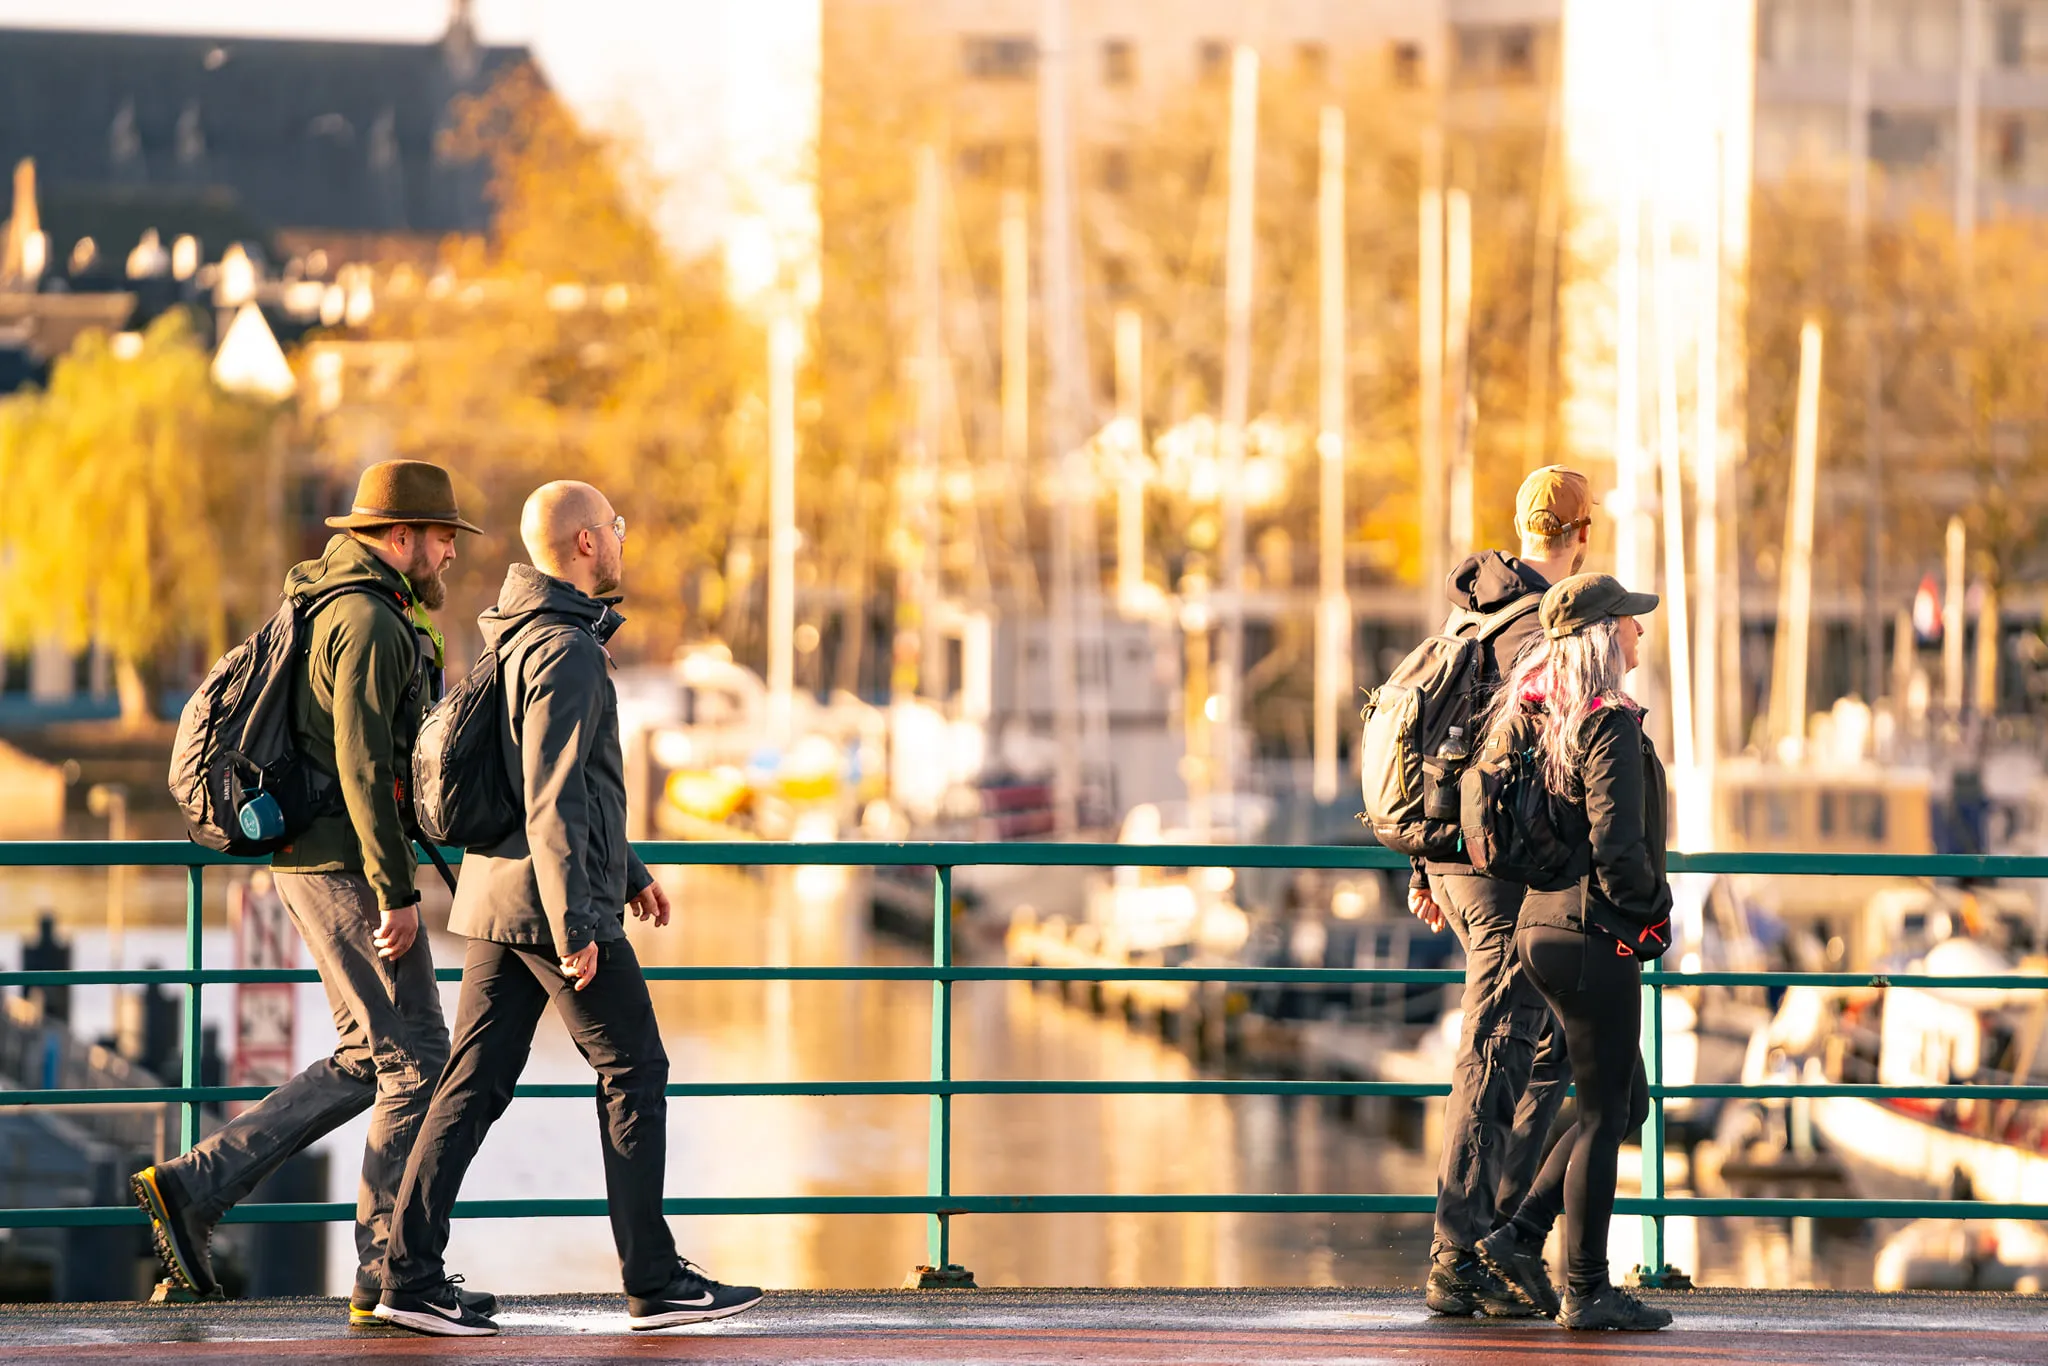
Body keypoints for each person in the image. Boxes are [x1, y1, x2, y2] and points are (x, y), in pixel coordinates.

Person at [374, 481, 761, 1337]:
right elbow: (553, 800)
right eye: (616, 526)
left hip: (496, 896)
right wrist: (579, 923)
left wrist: (629, 871)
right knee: (635, 1070)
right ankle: (653, 1282)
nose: (624, 538)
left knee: (471, 1085)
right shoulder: (570, 651)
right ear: (585, 543)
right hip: (547, 909)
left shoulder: (518, 635)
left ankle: (407, 1277)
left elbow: (559, 786)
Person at [132, 460, 489, 1324]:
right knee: (416, 1062)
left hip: (317, 861)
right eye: (443, 538)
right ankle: (388, 1271)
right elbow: (365, 769)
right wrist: (396, 893)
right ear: (399, 538)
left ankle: (195, 1187)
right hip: (341, 869)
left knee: (374, 1058)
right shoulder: (368, 621)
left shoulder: (343, 603)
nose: (450, 554)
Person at [1413, 465, 1592, 1318]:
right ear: (1583, 535)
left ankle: (1501, 1238)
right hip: (1498, 870)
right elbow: (1539, 764)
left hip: (1457, 863)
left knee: (1550, 1044)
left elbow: (1444, 749)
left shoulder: (1476, 608)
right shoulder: (1538, 628)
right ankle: (1460, 1255)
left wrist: (1427, 869)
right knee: (1495, 1048)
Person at [1473, 573, 1673, 1332]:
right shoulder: (1608, 723)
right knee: (1601, 1114)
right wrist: (1654, 912)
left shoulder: (1538, 715)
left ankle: (1520, 1237)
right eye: (1629, 622)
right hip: (1594, 934)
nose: (1639, 634)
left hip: (1540, 928)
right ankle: (1587, 1288)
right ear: (1601, 634)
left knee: (1626, 1105)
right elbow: (1619, 850)